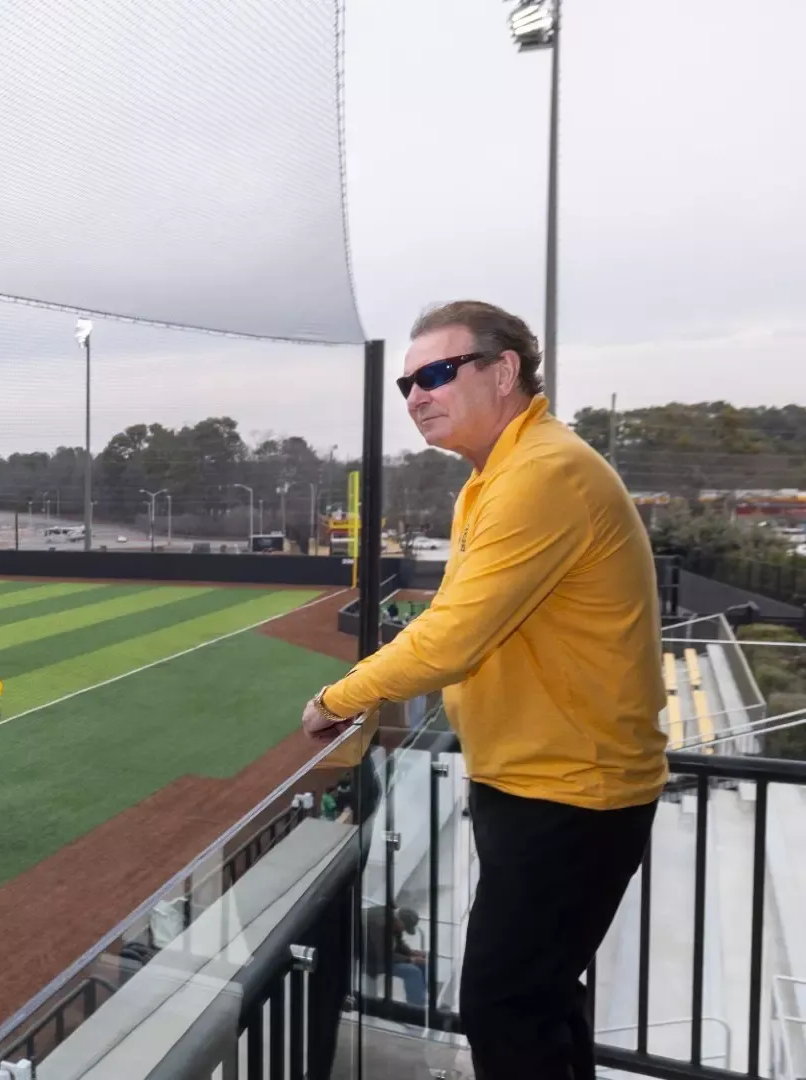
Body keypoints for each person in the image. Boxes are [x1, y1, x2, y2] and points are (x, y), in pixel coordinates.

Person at [300, 301, 664, 1080]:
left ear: (503, 373)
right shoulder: (497, 477)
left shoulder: (543, 474)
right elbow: (467, 620)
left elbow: (453, 638)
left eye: (435, 374)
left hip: (571, 795)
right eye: (407, 382)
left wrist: (338, 699)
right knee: (537, 1001)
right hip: (539, 783)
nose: (416, 396)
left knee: (503, 1006)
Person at [364, 906, 429, 1007]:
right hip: (373, 961)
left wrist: (411, 953)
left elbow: (398, 943)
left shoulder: (394, 923)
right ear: (399, 920)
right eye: (404, 927)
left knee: (422, 964)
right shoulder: (379, 925)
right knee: (412, 972)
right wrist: (410, 959)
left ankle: (421, 998)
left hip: (386, 956)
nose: (403, 930)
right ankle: (416, 1008)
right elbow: (383, 955)